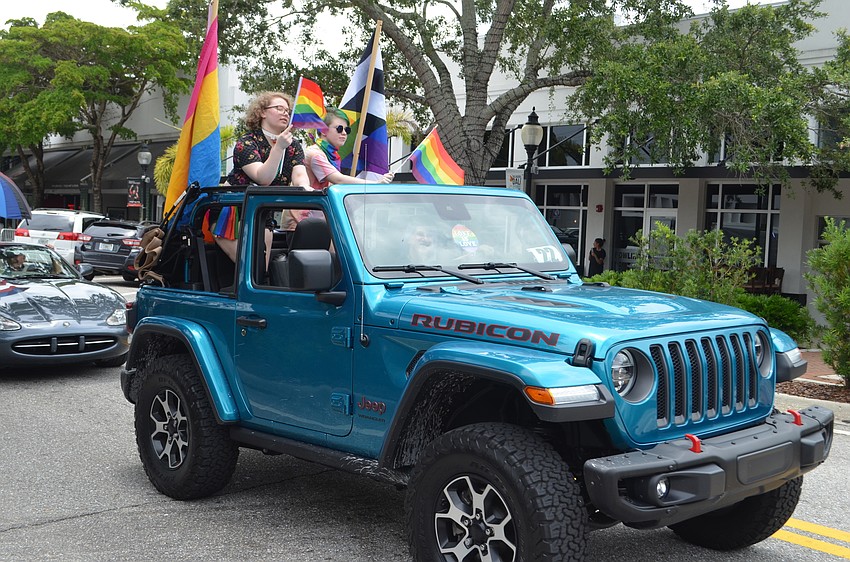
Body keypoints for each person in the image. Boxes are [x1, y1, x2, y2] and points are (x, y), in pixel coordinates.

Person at [216, 91, 310, 262]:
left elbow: (299, 175)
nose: (285, 113)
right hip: (233, 213)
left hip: (262, 212)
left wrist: (305, 187)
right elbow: (263, 178)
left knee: (261, 268)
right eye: (279, 108)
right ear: (262, 112)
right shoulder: (247, 142)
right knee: (249, 264)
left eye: (287, 111)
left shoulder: (294, 145)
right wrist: (279, 148)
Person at [304, 107, 393, 189]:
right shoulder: (316, 154)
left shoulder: (332, 155)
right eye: (339, 129)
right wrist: (376, 183)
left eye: (347, 130)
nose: (344, 133)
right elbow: (338, 179)